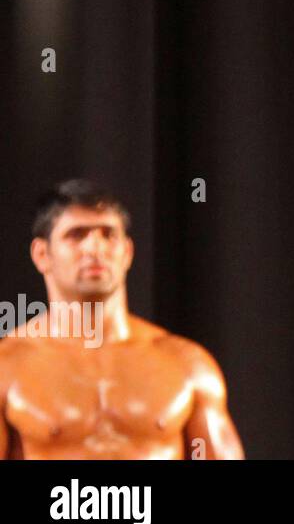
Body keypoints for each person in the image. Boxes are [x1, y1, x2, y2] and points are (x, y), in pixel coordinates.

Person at [0, 180, 243, 460]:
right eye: (77, 235)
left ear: (127, 252)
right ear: (42, 255)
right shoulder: (8, 366)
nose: (95, 247)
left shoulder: (186, 364)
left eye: (108, 234)